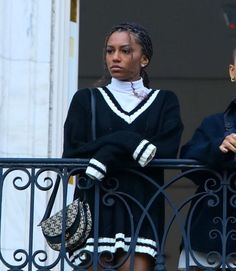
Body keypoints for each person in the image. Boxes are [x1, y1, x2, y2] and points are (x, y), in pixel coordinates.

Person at [62, 22, 183, 271]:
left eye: (125, 50)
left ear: (145, 59)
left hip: (142, 207)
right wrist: (128, 142)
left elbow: (165, 153)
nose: (115, 57)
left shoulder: (164, 101)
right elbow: (72, 155)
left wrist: (104, 153)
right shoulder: (86, 99)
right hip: (94, 207)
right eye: (110, 50)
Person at [178, 48, 236, 271]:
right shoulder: (214, 124)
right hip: (208, 244)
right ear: (232, 72)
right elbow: (186, 164)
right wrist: (219, 148)